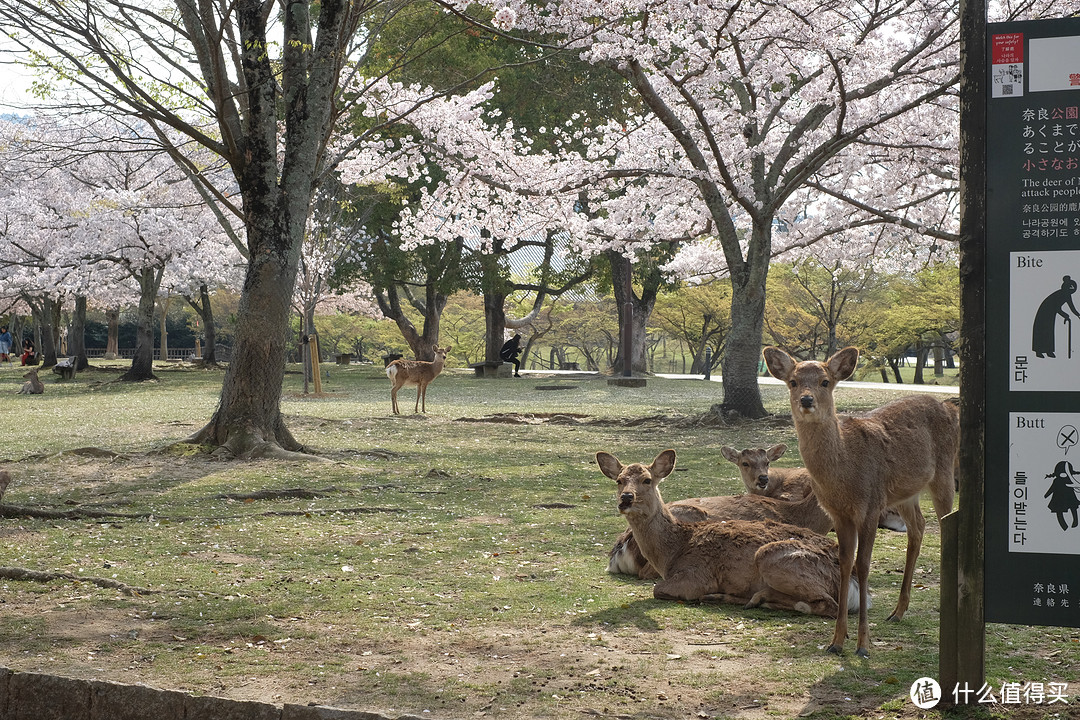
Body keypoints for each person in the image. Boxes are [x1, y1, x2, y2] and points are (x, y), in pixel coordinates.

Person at [1032, 275, 1080, 358]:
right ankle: (1039, 351)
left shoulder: (1067, 295)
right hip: (1045, 311)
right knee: (1042, 329)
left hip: (1051, 313)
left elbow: (1072, 308)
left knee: (1049, 330)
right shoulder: (1060, 294)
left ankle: (1048, 350)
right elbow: (1056, 307)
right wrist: (1065, 315)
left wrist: (1078, 315)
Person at [1045, 460, 1080, 531]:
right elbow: (1052, 488)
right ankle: (1064, 526)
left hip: (1070, 496)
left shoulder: (1069, 479)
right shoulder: (1056, 481)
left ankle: (1075, 521)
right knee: (1059, 511)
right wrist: (1046, 495)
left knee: (1073, 508)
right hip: (1058, 498)